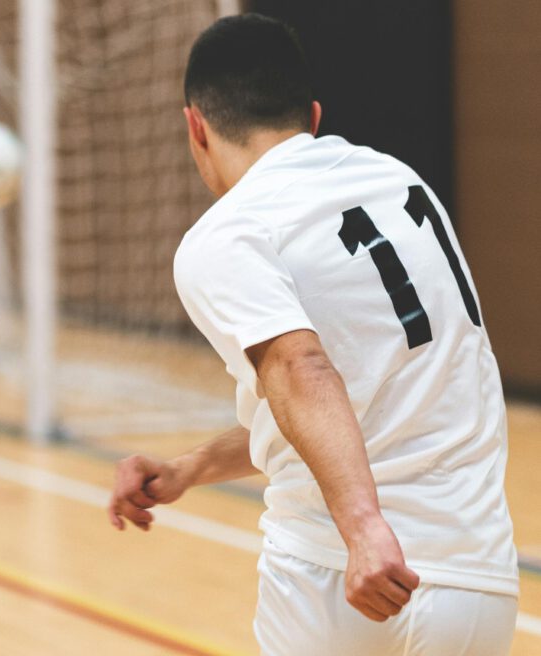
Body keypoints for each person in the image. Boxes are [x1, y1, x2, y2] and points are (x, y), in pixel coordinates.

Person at [107, 14, 518, 656]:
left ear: (196, 126)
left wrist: (363, 530)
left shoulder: (227, 234)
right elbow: (332, 410)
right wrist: (188, 469)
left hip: (335, 573)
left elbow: (302, 372)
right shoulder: (402, 182)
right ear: (314, 116)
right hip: (476, 583)